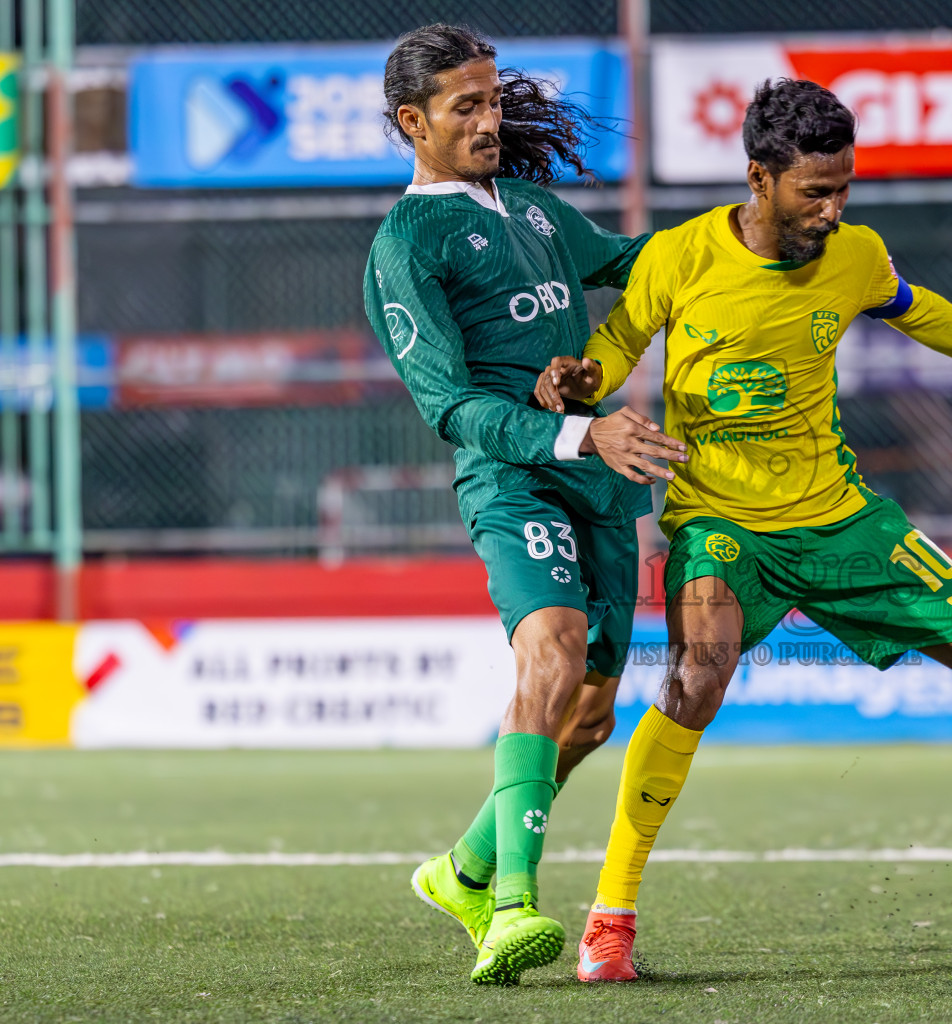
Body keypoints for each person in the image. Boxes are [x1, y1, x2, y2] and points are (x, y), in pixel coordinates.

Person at [538, 78, 952, 983]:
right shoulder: (680, 255)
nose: (833, 207)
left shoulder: (856, 253)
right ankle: (611, 916)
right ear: (759, 178)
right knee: (695, 679)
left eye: (844, 188)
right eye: (814, 191)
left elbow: (920, 310)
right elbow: (618, 344)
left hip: (842, 514)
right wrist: (586, 382)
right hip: (723, 519)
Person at [362, 24, 687, 987]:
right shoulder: (405, 244)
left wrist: (744, 235)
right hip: (512, 478)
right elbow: (450, 406)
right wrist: (581, 431)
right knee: (547, 645)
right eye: (467, 107)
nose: (491, 119)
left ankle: (462, 870)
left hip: (596, 478)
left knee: (587, 717)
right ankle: (509, 910)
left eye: (494, 99)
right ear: (411, 123)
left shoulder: (534, 208)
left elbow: (635, 262)